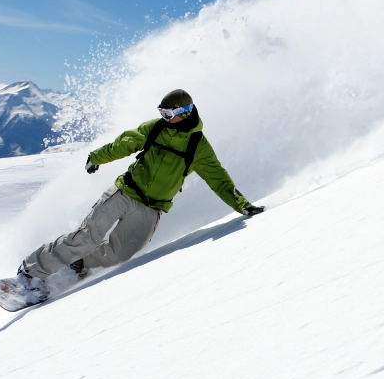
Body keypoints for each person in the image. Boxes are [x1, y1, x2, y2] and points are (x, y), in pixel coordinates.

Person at [17, 89, 263, 299]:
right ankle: (31, 272)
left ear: (184, 112)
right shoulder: (155, 129)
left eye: (168, 114)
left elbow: (218, 179)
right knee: (87, 237)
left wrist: (242, 205)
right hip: (125, 192)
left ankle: (80, 263)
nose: (163, 118)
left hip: (152, 208)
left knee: (121, 252)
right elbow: (124, 144)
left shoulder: (198, 147)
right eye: (161, 112)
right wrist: (96, 158)